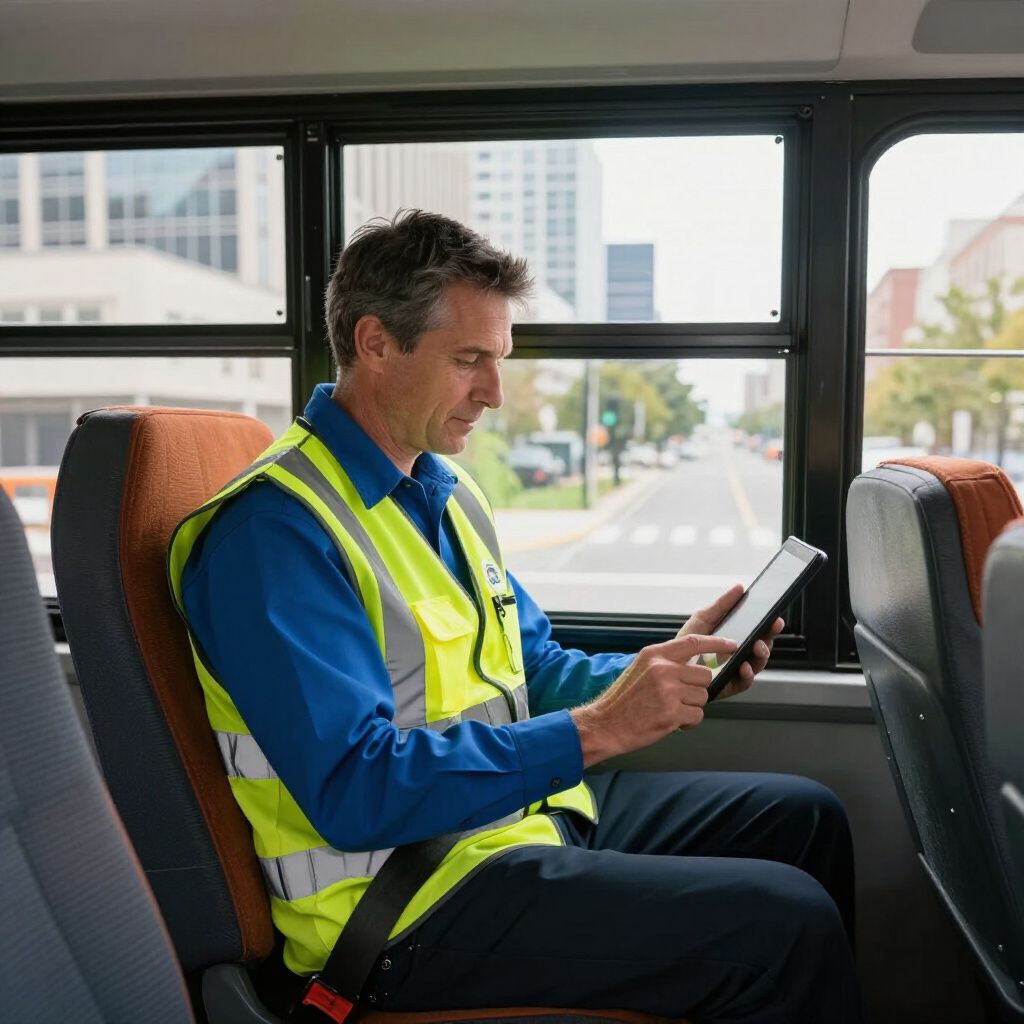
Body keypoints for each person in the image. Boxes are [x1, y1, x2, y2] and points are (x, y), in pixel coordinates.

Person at [170, 210, 862, 1023]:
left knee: (807, 819)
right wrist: (596, 732)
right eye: (469, 361)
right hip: (404, 906)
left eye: (496, 361)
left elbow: (530, 671)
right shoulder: (274, 533)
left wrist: (670, 673)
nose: (494, 394)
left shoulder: (447, 493)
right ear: (375, 343)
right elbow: (355, 790)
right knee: (782, 926)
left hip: (506, 826)